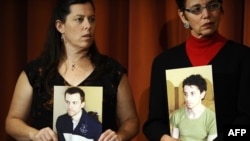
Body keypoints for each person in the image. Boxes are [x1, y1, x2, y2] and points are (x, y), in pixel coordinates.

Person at [5, 0, 139, 141]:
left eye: (91, 19)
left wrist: (119, 136)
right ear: (60, 26)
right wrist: (34, 134)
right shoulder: (36, 71)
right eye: (79, 20)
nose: (88, 26)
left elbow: (131, 120)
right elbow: (12, 121)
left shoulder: (112, 71)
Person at [143, 0, 250, 140]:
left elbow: (246, 125)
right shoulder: (164, 62)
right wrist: (164, 138)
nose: (206, 14)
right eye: (196, 9)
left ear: (221, 9)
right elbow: (153, 124)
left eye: (212, 6)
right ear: (183, 16)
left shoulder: (243, 57)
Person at [170, 74, 217, 141]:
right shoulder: (176, 115)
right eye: (185, 94)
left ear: (202, 94)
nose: (188, 99)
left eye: (192, 93)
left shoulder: (212, 118)